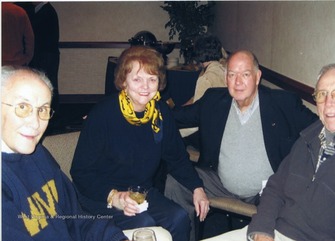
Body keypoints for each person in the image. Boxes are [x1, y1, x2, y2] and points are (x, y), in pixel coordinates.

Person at [164, 50, 318, 241]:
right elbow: (176, 117)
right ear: (225, 78)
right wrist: (145, 110)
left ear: (257, 76)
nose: (237, 82)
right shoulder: (213, 100)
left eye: (245, 74)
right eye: (232, 75)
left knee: (287, 222)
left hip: (268, 191)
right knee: (175, 182)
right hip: (219, 181)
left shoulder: (282, 103)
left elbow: (319, 130)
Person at [201, 62, 335, 241]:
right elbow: (275, 188)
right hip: (272, 230)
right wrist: (262, 230)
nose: (328, 103)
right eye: (322, 94)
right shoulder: (310, 137)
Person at [70, 46, 210, 241]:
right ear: (123, 81)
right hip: (101, 196)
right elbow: (80, 172)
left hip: (140, 192)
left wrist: (197, 188)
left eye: (152, 79)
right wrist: (115, 197)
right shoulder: (102, 115)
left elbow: (177, 157)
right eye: (137, 79)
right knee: (144, 226)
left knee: (179, 218)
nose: (145, 86)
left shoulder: (160, 113)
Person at [1, 66, 128, 241]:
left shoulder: (38, 155)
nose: (35, 122)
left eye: (43, 109)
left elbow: (77, 218)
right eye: (23, 107)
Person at [181, 35, 228, 149]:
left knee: (173, 130)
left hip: (207, 132)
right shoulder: (225, 71)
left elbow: (196, 114)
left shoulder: (206, 78)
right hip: (223, 128)